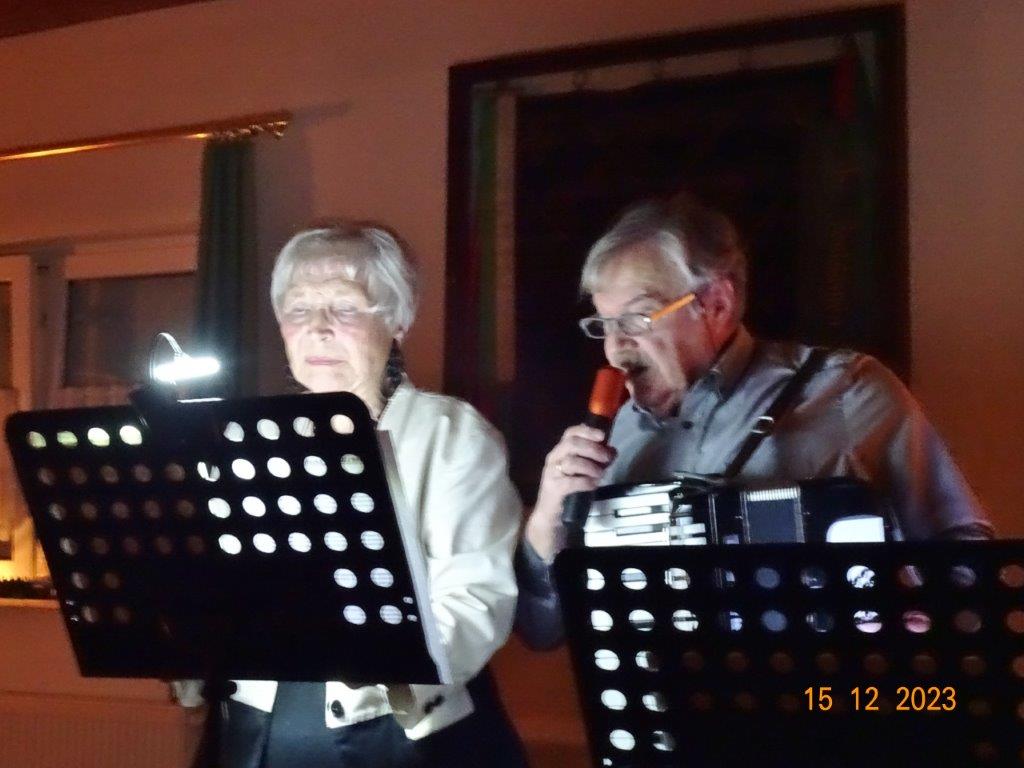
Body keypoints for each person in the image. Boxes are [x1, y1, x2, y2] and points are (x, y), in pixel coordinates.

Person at [515, 194, 993, 650]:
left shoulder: (847, 392)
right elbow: (542, 631)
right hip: (666, 706)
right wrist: (546, 523)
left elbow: (965, 555)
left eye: (637, 320)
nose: (615, 348)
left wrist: (927, 612)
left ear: (717, 303)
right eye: (604, 325)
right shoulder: (614, 439)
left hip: (827, 696)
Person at [180, 223, 528, 767]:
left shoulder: (450, 434)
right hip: (259, 723)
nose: (317, 329)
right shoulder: (250, 440)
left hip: (399, 731)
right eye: (299, 309)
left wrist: (380, 666)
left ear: (398, 321)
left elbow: (475, 599)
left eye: (344, 307)